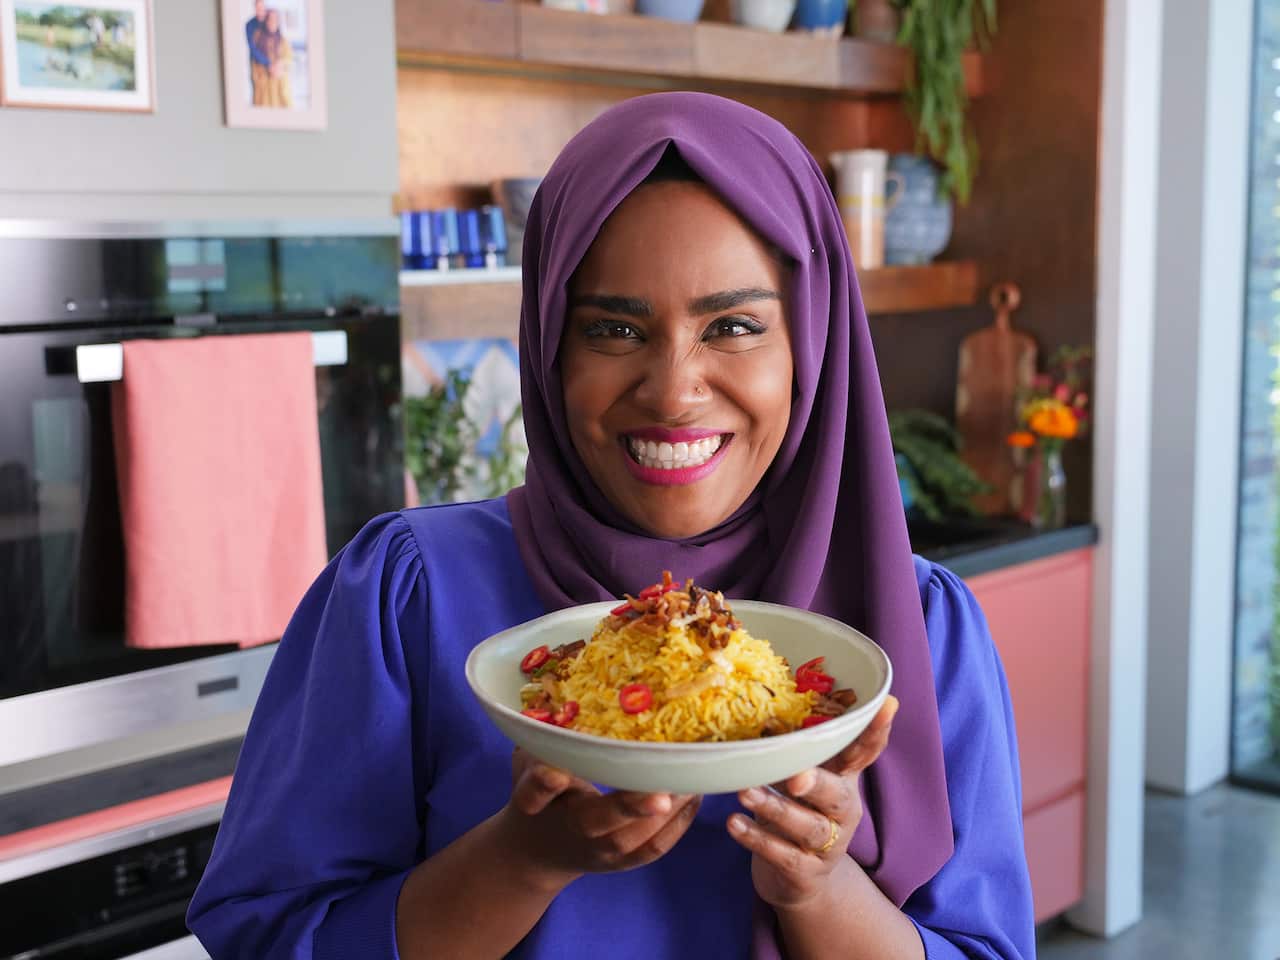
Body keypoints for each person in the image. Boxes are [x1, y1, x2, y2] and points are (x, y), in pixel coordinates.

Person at [187, 93, 1036, 959]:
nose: (673, 391)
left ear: (812, 347)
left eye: (734, 326)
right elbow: (273, 938)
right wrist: (522, 860)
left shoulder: (921, 629)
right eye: (615, 328)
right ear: (552, 347)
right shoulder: (407, 594)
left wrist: (821, 884)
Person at [248, 8, 292, 109]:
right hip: (264, 85)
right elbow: (255, 58)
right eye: (270, 19)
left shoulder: (282, 39)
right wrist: (268, 66)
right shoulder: (258, 37)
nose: (272, 23)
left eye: (275, 20)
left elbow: (288, 57)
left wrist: (280, 65)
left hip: (279, 83)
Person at [245, 0, 269, 103]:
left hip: (271, 64)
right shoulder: (250, 25)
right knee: (258, 94)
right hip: (257, 64)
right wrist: (267, 62)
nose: (260, 10)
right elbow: (252, 47)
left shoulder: (269, 21)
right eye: (258, 8)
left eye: (262, 8)